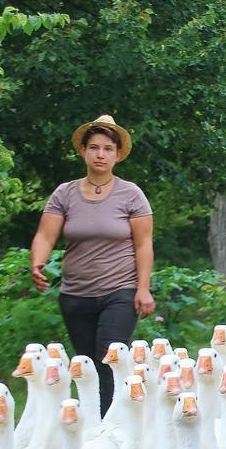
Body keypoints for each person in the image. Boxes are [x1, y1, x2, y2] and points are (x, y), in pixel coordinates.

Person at [30, 115, 155, 413]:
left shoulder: (131, 194)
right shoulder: (65, 193)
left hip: (120, 291)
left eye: (108, 148)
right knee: (85, 365)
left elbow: (143, 244)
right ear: (83, 151)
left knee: (109, 359)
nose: (101, 154)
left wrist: (143, 289)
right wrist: (38, 263)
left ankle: (112, 428)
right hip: (75, 294)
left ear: (118, 154)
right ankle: (91, 427)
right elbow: (46, 235)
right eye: (95, 147)